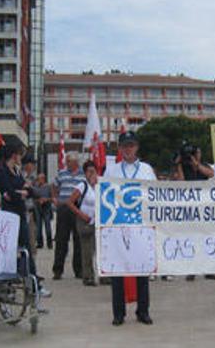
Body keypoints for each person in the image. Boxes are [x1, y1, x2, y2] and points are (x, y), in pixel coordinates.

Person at [104, 131, 156, 326]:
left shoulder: (146, 169)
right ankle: (118, 313)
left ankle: (143, 311)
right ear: (119, 148)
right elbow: (105, 196)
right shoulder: (111, 170)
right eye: (125, 145)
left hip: (141, 225)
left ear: (137, 147)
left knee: (142, 269)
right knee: (117, 269)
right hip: (118, 225)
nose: (128, 149)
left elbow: (154, 194)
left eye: (131, 145)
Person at [0, 141, 41, 283]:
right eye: (19, 155)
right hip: (10, 214)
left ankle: (31, 277)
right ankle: (15, 276)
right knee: (12, 247)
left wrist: (22, 192)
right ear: (14, 156)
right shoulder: (2, 172)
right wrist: (20, 192)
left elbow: (30, 191)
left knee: (26, 246)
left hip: (21, 213)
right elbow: (8, 193)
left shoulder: (17, 171)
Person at [173, 144, 215, 281]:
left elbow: (211, 174)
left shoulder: (204, 165)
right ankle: (192, 269)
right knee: (192, 238)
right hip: (190, 209)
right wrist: (179, 164)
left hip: (205, 209)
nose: (193, 156)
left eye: (195, 153)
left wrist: (197, 165)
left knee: (206, 238)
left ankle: (208, 269)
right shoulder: (183, 167)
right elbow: (180, 181)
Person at [51, 152, 86, 280]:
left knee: (78, 241)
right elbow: (54, 186)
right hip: (64, 208)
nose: (66, 163)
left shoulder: (83, 174)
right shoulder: (62, 173)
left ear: (75, 162)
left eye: (68, 161)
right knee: (61, 240)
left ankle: (79, 270)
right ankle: (58, 270)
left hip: (77, 208)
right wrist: (54, 198)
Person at [66, 161, 98, 286]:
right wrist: (82, 215)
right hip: (85, 221)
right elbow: (70, 202)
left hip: (97, 221)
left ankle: (101, 275)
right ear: (85, 173)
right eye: (89, 171)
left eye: (93, 171)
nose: (92, 173)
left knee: (96, 249)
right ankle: (88, 276)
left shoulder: (98, 185)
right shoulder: (82, 186)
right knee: (87, 250)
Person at [33, 173, 54, 249]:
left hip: (46, 207)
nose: (39, 181)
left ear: (44, 179)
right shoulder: (35, 187)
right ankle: (40, 243)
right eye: (38, 179)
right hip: (38, 208)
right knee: (38, 226)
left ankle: (49, 243)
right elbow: (33, 197)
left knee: (47, 225)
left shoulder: (48, 187)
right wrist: (38, 200)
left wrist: (46, 200)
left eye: (40, 179)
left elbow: (52, 198)